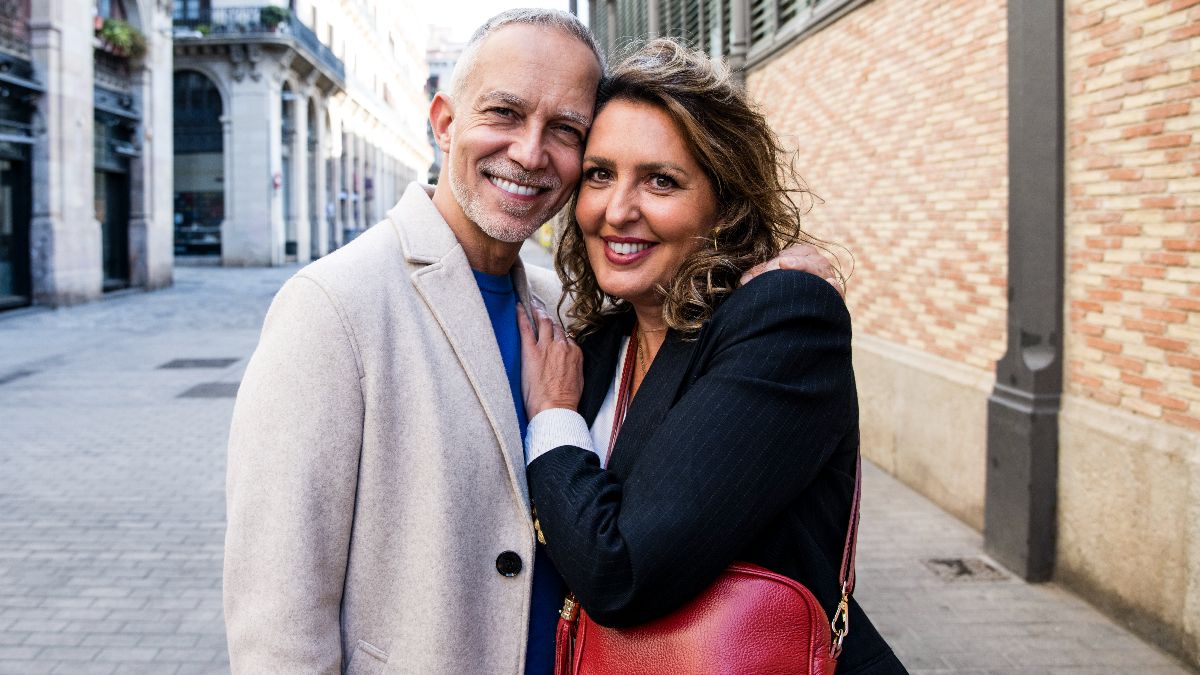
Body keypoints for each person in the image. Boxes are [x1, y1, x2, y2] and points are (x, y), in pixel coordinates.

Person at [223, 9, 835, 674]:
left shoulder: (569, 307)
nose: (530, 152)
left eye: (566, 130)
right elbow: (277, 620)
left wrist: (758, 276)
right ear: (444, 122)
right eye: (504, 113)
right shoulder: (333, 307)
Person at [519, 39, 906, 673]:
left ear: (723, 203)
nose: (618, 211)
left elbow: (621, 571)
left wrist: (555, 420)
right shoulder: (595, 344)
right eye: (600, 174)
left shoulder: (783, 322)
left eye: (661, 181)